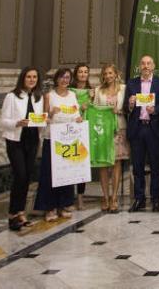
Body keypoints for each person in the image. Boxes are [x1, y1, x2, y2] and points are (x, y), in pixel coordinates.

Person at [36, 68, 83, 221]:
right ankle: (49, 207)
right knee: (50, 173)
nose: (65, 80)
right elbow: (42, 118)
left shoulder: (72, 95)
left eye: (68, 77)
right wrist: (50, 114)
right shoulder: (49, 96)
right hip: (53, 138)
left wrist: (78, 120)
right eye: (62, 77)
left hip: (68, 139)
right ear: (57, 79)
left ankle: (64, 203)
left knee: (66, 173)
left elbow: (76, 114)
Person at [124, 55, 159, 213]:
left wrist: (155, 110)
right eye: (143, 63)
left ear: (153, 66)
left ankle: (156, 199)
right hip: (137, 129)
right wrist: (130, 105)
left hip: (153, 128)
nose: (145, 66)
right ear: (139, 66)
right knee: (137, 166)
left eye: (149, 63)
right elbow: (125, 108)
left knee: (156, 166)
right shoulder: (131, 83)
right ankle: (139, 199)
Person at [1, 67, 43, 231]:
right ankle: (12, 214)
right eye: (29, 77)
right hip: (15, 140)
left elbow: (39, 119)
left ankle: (21, 212)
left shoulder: (37, 97)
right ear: (23, 78)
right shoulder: (12, 96)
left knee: (26, 178)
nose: (32, 80)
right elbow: (4, 120)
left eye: (34, 77)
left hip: (32, 140)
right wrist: (18, 122)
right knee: (20, 175)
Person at [93, 63, 129, 213]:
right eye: (105, 74)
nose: (108, 76)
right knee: (103, 164)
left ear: (116, 74)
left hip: (119, 128)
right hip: (102, 131)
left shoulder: (124, 89)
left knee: (116, 163)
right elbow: (94, 109)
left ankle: (114, 197)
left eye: (110, 73)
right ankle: (105, 197)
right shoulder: (97, 91)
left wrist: (119, 111)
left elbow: (129, 108)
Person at [70, 63, 94, 210]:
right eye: (81, 72)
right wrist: (80, 108)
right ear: (76, 74)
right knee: (70, 163)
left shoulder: (91, 92)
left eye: (86, 72)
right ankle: (68, 197)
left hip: (86, 130)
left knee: (82, 165)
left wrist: (91, 99)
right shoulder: (69, 92)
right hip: (70, 131)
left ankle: (80, 197)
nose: (83, 74)